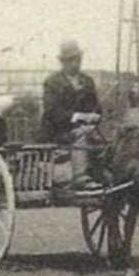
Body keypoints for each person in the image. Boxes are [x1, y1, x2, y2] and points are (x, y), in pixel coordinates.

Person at [41, 39, 103, 189]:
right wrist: (79, 117)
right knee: (82, 136)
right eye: (70, 60)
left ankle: (102, 175)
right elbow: (51, 111)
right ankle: (80, 178)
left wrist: (93, 118)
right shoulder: (52, 82)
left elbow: (96, 107)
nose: (75, 63)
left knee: (102, 141)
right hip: (58, 131)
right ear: (63, 62)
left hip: (85, 129)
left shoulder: (87, 81)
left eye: (77, 59)